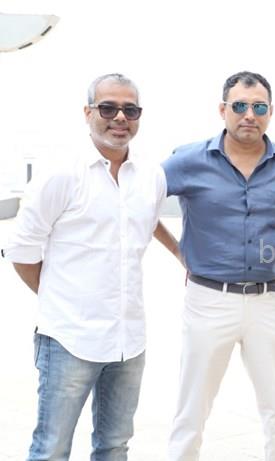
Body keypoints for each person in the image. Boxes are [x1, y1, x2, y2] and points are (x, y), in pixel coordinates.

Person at [2, 73, 165, 460]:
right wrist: (61, 296)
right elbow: (21, 250)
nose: (120, 117)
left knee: (114, 446)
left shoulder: (151, 176)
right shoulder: (61, 172)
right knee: (52, 449)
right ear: (88, 112)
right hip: (69, 339)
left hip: (128, 342)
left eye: (130, 110)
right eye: (108, 108)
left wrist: (181, 254)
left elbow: (147, 226)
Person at [157, 71, 275, 461]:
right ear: (222, 110)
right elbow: (141, 202)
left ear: (271, 112)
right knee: (192, 410)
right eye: (239, 106)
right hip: (208, 300)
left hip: (268, 302)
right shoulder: (187, 160)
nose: (249, 115)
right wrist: (179, 252)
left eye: (259, 107)